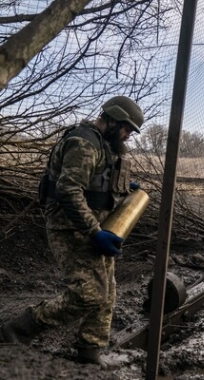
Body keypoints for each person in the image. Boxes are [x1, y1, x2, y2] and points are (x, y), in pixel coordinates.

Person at [0, 96, 144, 368]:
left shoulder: (104, 145)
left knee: (107, 291)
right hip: (70, 226)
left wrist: (122, 187)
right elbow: (68, 190)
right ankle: (16, 331)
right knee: (90, 293)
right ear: (112, 119)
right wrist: (95, 233)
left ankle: (90, 351)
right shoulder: (83, 142)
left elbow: (94, 182)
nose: (127, 135)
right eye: (126, 128)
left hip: (94, 225)